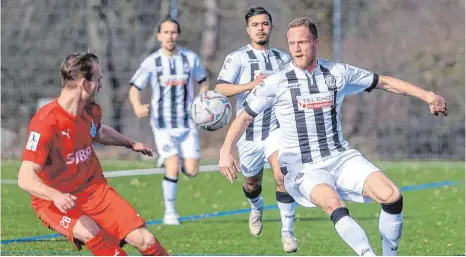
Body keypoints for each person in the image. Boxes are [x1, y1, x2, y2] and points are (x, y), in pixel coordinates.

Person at [218, 17, 447, 256]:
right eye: (292, 43)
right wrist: (226, 150)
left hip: (341, 156)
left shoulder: (337, 72)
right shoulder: (277, 82)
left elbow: (384, 83)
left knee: (392, 196)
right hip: (302, 166)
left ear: (315, 42)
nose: (296, 48)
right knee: (335, 205)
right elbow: (244, 117)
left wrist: (429, 96)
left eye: (303, 42)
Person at [18, 52, 168, 256]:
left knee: (146, 240)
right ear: (83, 83)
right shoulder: (45, 122)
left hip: (95, 191)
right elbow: (25, 177)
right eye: (98, 80)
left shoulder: (90, 110)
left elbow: (98, 131)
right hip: (55, 202)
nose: (101, 85)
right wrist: (56, 195)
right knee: (94, 235)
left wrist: (130, 143)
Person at [215, 6, 297, 253]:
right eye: (256, 24)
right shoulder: (237, 58)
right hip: (248, 132)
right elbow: (220, 89)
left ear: (271, 26)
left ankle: (287, 233)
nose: (261, 28)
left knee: (282, 174)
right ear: (248, 29)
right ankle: (256, 207)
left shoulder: (283, 59)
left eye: (265, 23)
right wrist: (252, 85)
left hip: (276, 129)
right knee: (252, 183)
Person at [128, 17, 210, 225]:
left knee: (191, 170)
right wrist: (137, 106)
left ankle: (172, 157)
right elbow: (134, 88)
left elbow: (203, 82)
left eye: (173, 32)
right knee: (172, 166)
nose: (169, 36)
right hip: (162, 124)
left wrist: (203, 102)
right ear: (159, 36)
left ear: (178, 35)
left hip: (187, 123)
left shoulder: (190, 59)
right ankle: (170, 213)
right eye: (165, 32)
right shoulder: (152, 62)